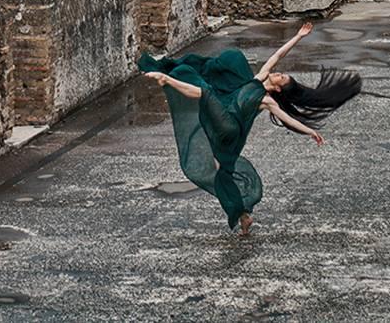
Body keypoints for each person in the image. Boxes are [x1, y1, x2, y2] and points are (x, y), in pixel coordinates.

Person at [139, 21, 361, 235]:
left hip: (229, 126)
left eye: (282, 77)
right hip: (222, 120)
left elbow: (288, 120)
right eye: (281, 73)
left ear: (280, 89)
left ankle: (165, 79)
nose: (278, 73)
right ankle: (243, 215)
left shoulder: (267, 100)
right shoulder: (259, 78)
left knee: (204, 92)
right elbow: (278, 55)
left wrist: (310, 131)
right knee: (221, 168)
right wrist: (298, 37)